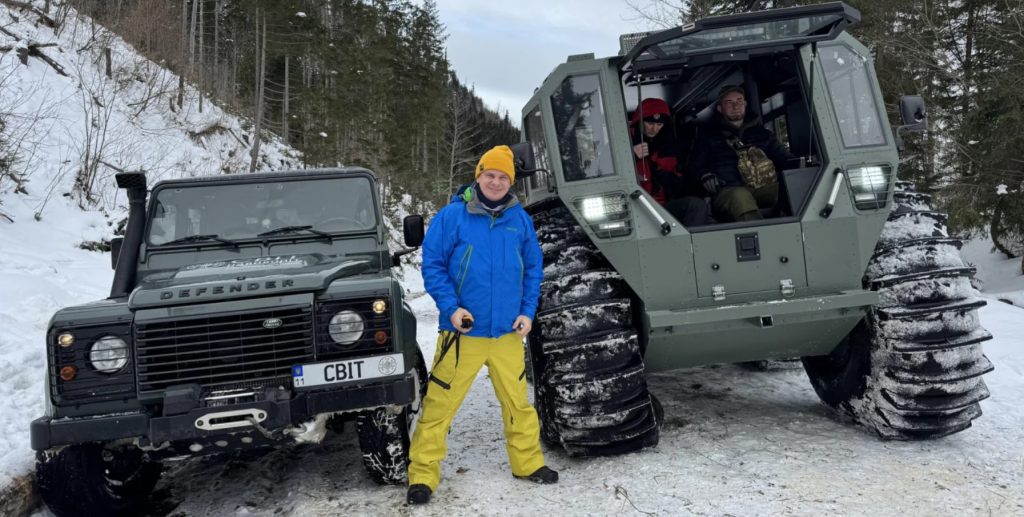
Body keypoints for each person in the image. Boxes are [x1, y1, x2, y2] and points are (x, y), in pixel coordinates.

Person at [406, 145, 557, 505]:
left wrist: (527, 312)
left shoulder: (520, 219)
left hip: (507, 332)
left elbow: (533, 269)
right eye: (490, 174)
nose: (495, 181)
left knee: (518, 404)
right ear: (478, 176)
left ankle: (528, 464)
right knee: (440, 405)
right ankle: (422, 476)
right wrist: (451, 308)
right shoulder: (452, 216)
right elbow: (434, 267)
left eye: (503, 176)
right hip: (463, 332)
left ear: (510, 182)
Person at [689, 85, 794, 222]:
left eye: (739, 101)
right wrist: (704, 175)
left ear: (745, 104)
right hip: (728, 191)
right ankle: (761, 235)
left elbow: (787, 160)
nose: (736, 106)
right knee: (740, 196)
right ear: (720, 108)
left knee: (791, 187)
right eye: (729, 103)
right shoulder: (708, 138)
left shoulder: (763, 135)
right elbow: (693, 167)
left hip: (762, 187)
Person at [630, 98, 707, 227]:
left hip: (663, 207)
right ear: (640, 121)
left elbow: (682, 179)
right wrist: (631, 155)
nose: (654, 129)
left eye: (659, 124)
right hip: (636, 208)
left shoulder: (670, 147)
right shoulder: (623, 142)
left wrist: (671, 179)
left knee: (696, 205)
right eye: (649, 123)